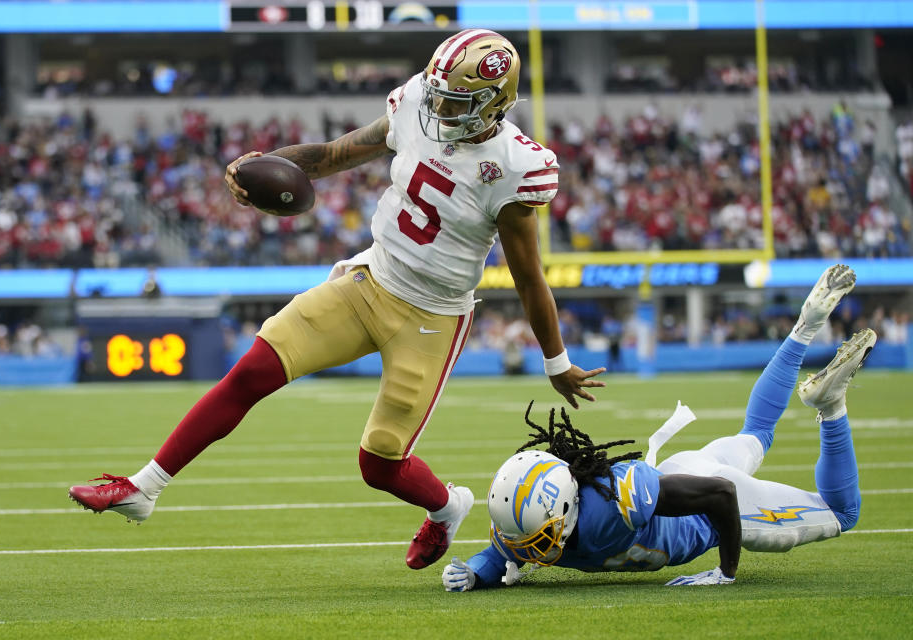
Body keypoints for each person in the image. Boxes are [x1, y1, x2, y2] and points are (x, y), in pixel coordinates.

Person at [68, 29, 606, 571]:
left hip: (433, 317)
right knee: (251, 372)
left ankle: (446, 509)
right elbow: (331, 155)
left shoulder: (515, 165)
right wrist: (265, 162)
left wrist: (555, 361)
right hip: (369, 281)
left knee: (378, 464)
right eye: (438, 93)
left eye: (456, 100)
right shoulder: (417, 102)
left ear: (495, 100)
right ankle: (144, 487)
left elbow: (529, 277)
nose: (439, 107)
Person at [443, 264, 873, 589]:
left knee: (843, 514)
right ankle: (806, 325)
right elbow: (499, 553)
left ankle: (830, 407)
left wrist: (725, 572)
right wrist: (475, 574)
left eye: (533, 538)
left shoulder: (616, 501)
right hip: (682, 469)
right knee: (756, 433)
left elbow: (722, 495)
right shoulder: (535, 515)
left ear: (568, 510)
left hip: (711, 505)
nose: (524, 548)